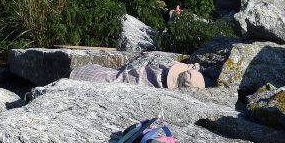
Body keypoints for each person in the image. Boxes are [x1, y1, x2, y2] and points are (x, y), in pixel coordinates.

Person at [69, 61, 205, 89]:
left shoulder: (160, 69)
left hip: (89, 72)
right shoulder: (156, 87)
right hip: (89, 80)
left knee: (115, 76)